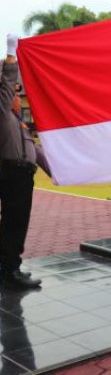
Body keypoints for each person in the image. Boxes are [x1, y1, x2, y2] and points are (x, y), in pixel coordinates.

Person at [0, 35, 45, 288]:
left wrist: (61, 170)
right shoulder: (2, 110)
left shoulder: (17, 121)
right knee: (14, 222)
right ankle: (10, 271)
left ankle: (7, 266)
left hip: (23, 173)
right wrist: (10, 55)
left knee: (16, 221)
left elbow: (34, 150)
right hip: (12, 172)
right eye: (15, 90)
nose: (17, 93)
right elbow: (5, 87)